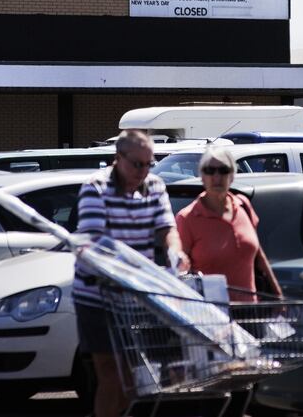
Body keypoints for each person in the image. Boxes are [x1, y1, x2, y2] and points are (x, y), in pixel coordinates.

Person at [73, 130, 190, 417]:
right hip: (96, 295)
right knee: (110, 373)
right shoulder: (95, 187)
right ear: (118, 158)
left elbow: (166, 229)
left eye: (149, 164)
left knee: (134, 378)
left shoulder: (155, 185)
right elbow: (94, 241)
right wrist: (131, 269)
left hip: (136, 296)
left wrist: (175, 251)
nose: (143, 171)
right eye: (136, 164)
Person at [175, 146, 282, 301]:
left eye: (223, 170)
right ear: (201, 176)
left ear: (232, 175)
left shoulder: (243, 205)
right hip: (211, 317)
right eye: (210, 170)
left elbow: (259, 256)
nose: (217, 177)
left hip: (251, 315)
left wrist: (278, 295)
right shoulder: (187, 218)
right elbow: (181, 272)